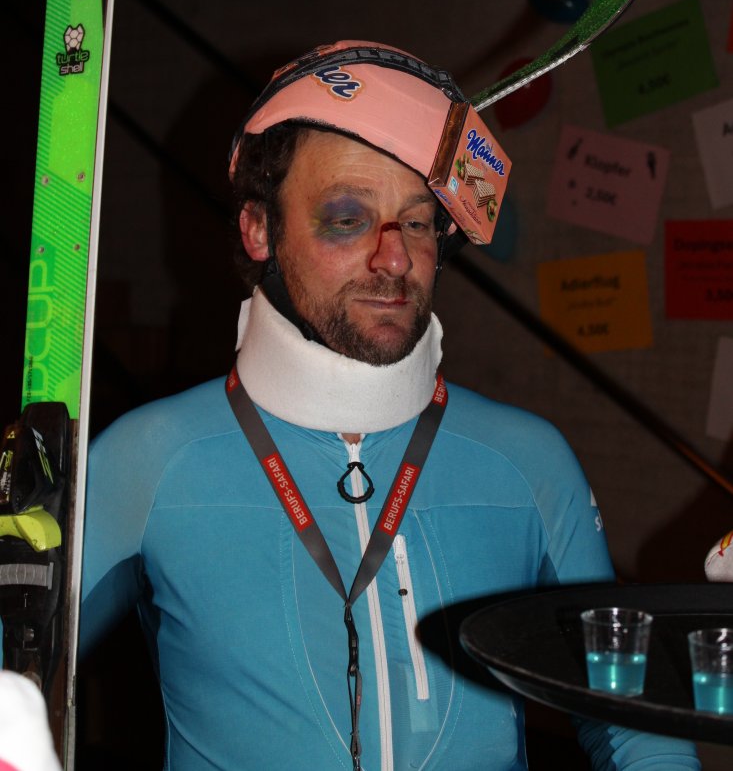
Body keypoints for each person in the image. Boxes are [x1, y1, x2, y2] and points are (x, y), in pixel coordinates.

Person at [80, 41, 700, 771]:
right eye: (347, 218)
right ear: (259, 230)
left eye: (417, 221)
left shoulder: (528, 461)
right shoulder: (147, 459)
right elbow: (22, 681)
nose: (395, 257)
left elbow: (630, 725)